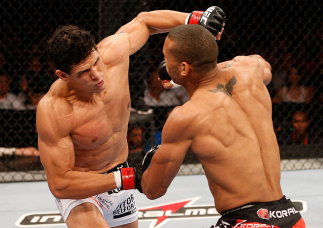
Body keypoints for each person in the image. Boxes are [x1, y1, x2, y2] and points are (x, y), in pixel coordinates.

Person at [36, 6, 225, 228]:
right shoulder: (54, 109)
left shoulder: (112, 54)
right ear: (63, 76)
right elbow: (60, 183)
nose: (97, 75)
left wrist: (194, 20)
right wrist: (128, 178)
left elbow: (145, 21)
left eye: (96, 61)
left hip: (120, 174)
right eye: (84, 72)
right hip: (82, 190)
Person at [141, 25, 305, 228]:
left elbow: (153, 190)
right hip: (290, 216)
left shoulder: (185, 117)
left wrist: (143, 172)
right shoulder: (251, 73)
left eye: (167, 57)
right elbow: (263, 65)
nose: (164, 63)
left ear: (184, 68)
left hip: (247, 222)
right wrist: (208, 65)